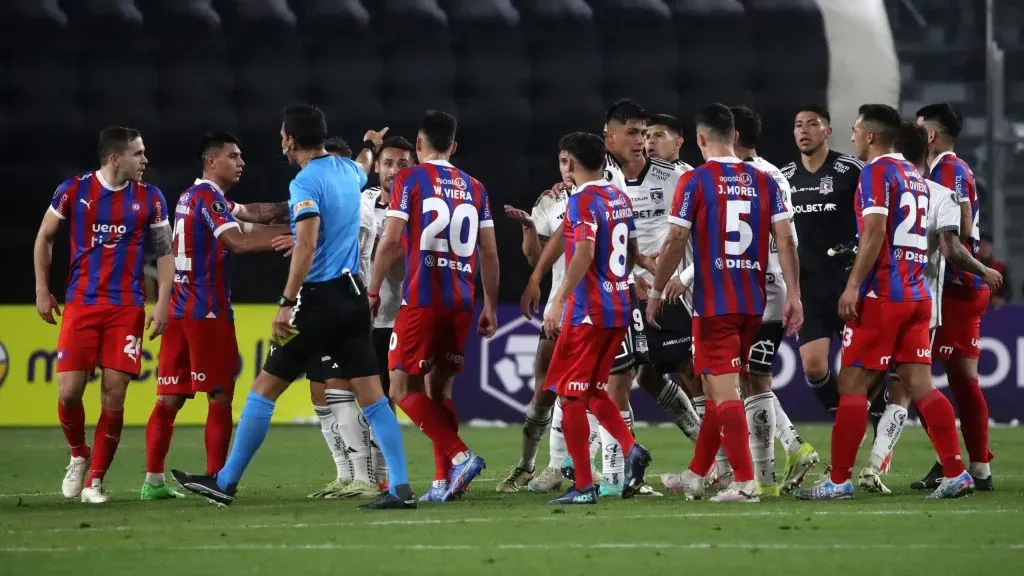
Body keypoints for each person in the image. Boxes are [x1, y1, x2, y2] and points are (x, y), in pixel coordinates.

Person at [172, 104, 414, 510]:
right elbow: (363, 162)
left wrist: (287, 302)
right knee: (374, 398)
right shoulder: (348, 171)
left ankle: (225, 482)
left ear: (289, 140)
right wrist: (370, 144)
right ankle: (401, 488)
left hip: (319, 301)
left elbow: (306, 243)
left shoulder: (305, 182)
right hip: (355, 299)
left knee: (264, 389)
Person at [795, 104, 973, 501]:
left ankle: (838, 480)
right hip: (917, 295)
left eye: (856, 129)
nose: (853, 136)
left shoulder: (876, 172)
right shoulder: (914, 175)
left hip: (882, 295)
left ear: (871, 135)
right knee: (921, 385)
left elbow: (874, 233)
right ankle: (956, 472)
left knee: (852, 385)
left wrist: (853, 285)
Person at [647, 103, 802, 502]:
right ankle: (697, 473)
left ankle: (746, 482)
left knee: (725, 391)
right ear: (735, 136)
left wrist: (656, 291)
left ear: (700, 139)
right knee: (718, 388)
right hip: (753, 303)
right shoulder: (766, 180)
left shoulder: (695, 180)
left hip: (714, 303)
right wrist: (794, 295)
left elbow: (675, 240)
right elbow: (786, 240)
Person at [855, 121, 1003, 495]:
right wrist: (983, 269)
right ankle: (943, 466)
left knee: (891, 385)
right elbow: (955, 239)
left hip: (893, 298)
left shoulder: (898, 183)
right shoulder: (938, 190)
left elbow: (948, 243)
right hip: (924, 303)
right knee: (910, 385)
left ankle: (873, 467)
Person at [142, 132, 289, 500]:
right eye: (233, 156)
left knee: (169, 399)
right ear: (212, 161)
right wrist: (299, 239)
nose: (241, 162)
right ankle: (215, 480)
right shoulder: (209, 197)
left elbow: (254, 216)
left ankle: (153, 481)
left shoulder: (193, 196)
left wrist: (299, 215)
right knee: (219, 396)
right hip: (206, 310)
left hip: (179, 309)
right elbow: (239, 241)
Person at [34, 126, 173, 504]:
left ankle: (95, 481)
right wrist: (42, 290)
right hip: (81, 304)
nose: (145, 160)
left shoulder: (151, 197)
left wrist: (162, 301)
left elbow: (164, 252)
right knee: (69, 393)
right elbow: (45, 236)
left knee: (114, 393)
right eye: (138, 153)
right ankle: (79, 453)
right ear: (115, 158)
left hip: (126, 307)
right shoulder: (73, 191)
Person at [368, 110, 500, 503]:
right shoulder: (476, 187)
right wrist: (490, 304)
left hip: (421, 299)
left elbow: (391, 240)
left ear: (419, 144)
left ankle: (460, 456)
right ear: (454, 146)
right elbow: (490, 253)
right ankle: (443, 482)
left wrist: (372, 289)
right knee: (440, 392)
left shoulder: (410, 179)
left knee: (400, 387)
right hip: (461, 301)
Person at [543, 131, 652, 505]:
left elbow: (585, 252)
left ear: (571, 163)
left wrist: (558, 300)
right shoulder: (619, 197)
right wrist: (627, 276)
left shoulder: (581, 201)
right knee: (591, 390)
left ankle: (583, 486)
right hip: (619, 308)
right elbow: (633, 250)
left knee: (570, 398)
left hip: (588, 313)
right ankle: (631, 448)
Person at [498, 163, 604, 494]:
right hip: (559, 311)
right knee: (545, 392)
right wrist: (530, 228)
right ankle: (526, 465)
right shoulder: (550, 201)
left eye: (571, 160)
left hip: (598, 309)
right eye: (561, 161)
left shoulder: (606, 193)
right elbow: (535, 258)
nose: (566, 168)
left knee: (599, 392)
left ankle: (584, 466)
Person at [911, 103, 995, 491]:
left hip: (955, 287)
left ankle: (955, 465)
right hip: (964, 286)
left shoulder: (947, 170)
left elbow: (957, 224)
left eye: (918, 129)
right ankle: (975, 466)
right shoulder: (956, 168)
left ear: (930, 134)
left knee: (914, 376)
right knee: (962, 380)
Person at [303, 135, 383, 499]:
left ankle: (367, 476)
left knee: (341, 387)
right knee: (319, 391)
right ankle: (345, 474)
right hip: (318, 301)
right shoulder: (320, 201)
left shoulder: (355, 209)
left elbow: (333, 249)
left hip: (343, 301)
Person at [780, 106, 863, 418]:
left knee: (864, 369)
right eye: (798, 125)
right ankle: (846, 420)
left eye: (812, 124)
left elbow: (873, 220)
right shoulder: (784, 177)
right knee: (814, 368)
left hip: (848, 283)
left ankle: (876, 418)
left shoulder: (851, 170)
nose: (804, 130)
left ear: (827, 132)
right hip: (809, 287)